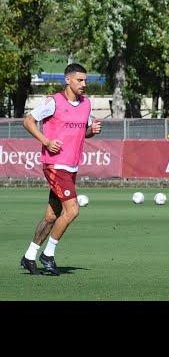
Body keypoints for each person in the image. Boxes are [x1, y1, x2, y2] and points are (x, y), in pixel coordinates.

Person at [20, 63, 101, 275]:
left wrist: (91, 130)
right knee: (72, 210)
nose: (84, 84)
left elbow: (83, 133)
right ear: (68, 80)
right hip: (55, 164)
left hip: (71, 166)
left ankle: (29, 256)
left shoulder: (86, 104)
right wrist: (46, 141)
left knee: (51, 216)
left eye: (85, 80)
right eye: (79, 80)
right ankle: (48, 254)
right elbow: (28, 121)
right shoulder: (53, 101)